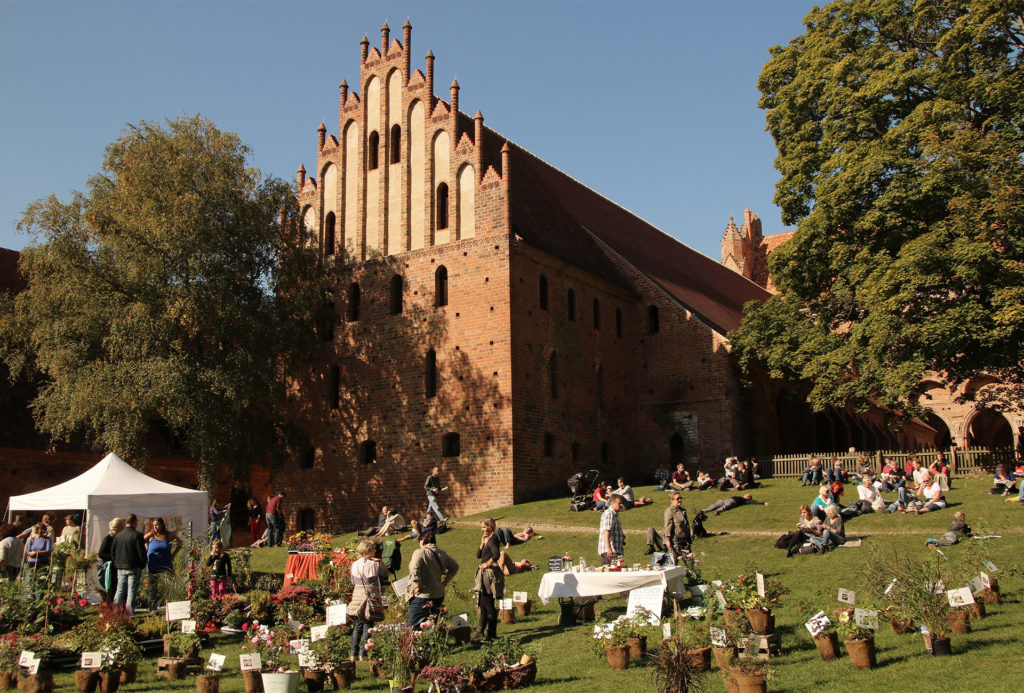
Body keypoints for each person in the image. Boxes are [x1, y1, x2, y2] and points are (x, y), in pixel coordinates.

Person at [406, 530, 458, 630]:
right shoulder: (441, 553)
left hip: (422, 595)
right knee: (431, 626)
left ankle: (416, 646)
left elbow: (414, 569)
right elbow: (454, 567)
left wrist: (417, 585)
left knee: (414, 627)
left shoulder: (419, 552)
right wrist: (444, 583)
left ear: (422, 540)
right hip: (438, 593)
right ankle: (431, 645)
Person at [347, 539, 386, 660]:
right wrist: (380, 562)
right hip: (370, 597)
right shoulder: (374, 564)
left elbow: (353, 581)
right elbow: (385, 574)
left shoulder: (354, 564)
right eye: (373, 550)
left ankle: (353, 653)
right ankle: (363, 653)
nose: (375, 552)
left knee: (358, 626)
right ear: (369, 551)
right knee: (368, 626)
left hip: (357, 596)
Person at [473, 518, 502, 641]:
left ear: (490, 527)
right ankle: (480, 631)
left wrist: (487, 564)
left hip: (488, 575)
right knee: (483, 603)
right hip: (483, 574)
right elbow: (478, 555)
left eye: (484, 527)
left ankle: (492, 633)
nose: (482, 529)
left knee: (488, 602)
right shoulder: (488, 540)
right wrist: (482, 543)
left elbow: (497, 554)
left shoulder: (493, 540)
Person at [112, 514, 147, 613]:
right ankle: (129, 613)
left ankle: (115, 611)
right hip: (133, 566)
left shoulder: (118, 535)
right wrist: (143, 563)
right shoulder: (137, 535)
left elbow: (113, 551)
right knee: (131, 591)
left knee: (120, 590)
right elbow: (141, 552)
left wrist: (116, 562)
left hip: (120, 566)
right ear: (134, 522)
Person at [645, 492, 690, 559]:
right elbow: (667, 527)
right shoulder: (669, 511)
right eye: (678, 498)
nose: (680, 500)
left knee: (689, 560)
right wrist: (667, 540)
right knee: (674, 561)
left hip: (685, 540)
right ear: (672, 500)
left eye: (680, 498)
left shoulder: (683, 511)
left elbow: (686, 525)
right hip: (675, 541)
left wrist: (689, 538)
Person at [97, 517, 125, 602]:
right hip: (111, 567)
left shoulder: (120, 538)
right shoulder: (108, 538)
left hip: (119, 565)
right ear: (118, 527)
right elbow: (101, 553)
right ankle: (110, 607)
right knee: (111, 587)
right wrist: (113, 558)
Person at [598, 494, 625, 565]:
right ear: (612, 503)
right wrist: (609, 549)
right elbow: (606, 532)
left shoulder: (614, 515)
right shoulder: (609, 514)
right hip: (611, 552)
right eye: (619, 503)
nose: (621, 505)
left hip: (615, 550)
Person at [701, 493, 767, 516]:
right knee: (714, 505)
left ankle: (716, 511)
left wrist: (763, 503)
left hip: (733, 501)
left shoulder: (745, 501)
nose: (745, 494)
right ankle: (703, 511)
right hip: (726, 500)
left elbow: (754, 502)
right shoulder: (742, 498)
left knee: (725, 507)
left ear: (749, 497)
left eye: (747, 494)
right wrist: (722, 499)